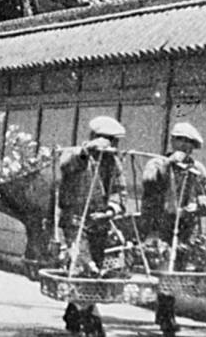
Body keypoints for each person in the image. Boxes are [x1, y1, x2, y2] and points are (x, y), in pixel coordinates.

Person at [58, 115, 128, 337]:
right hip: (75, 223)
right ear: (94, 137)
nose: (111, 145)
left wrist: (111, 210)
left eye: (114, 141)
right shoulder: (76, 155)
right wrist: (86, 151)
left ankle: (73, 313)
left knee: (92, 271)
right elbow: (66, 165)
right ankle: (92, 323)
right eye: (108, 139)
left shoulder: (113, 163)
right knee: (85, 266)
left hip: (100, 224)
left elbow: (119, 190)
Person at [141, 122, 206, 337]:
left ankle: (164, 311)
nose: (185, 147)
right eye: (181, 142)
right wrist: (168, 166)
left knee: (175, 269)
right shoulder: (158, 163)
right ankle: (166, 315)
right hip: (160, 223)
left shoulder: (197, 169)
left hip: (185, 226)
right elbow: (148, 181)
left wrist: (199, 206)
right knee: (165, 267)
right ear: (173, 142)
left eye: (190, 144)